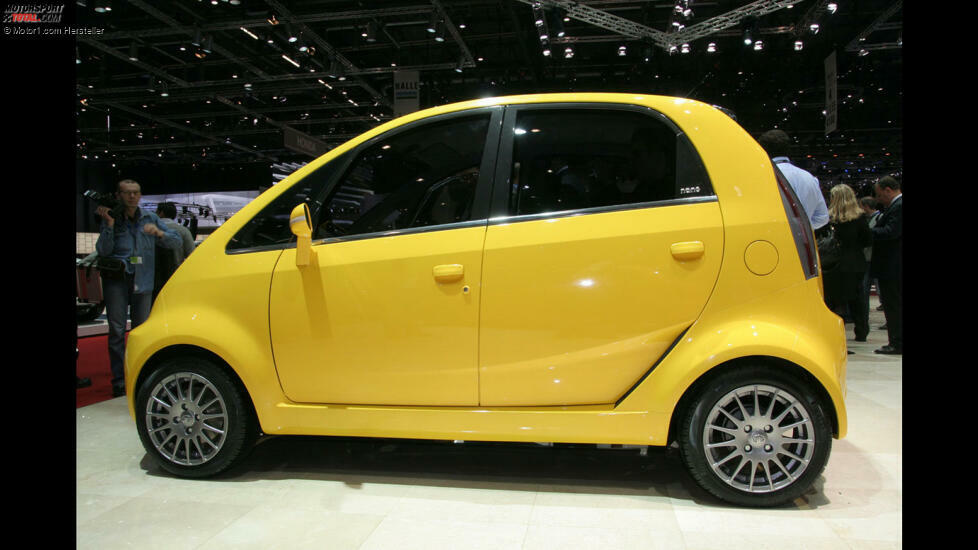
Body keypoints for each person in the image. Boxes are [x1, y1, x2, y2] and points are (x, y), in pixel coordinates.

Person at [95, 179, 181, 397]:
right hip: (117, 280)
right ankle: (119, 379)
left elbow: (176, 241)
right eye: (127, 193)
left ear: (140, 195)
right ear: (119, 195)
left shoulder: (150, 218)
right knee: (116, 330)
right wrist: (109, 226)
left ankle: (140, 376)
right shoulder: (112, 218)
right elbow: (103, 251)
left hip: (143, 282)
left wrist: (159, 234)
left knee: (141, 332)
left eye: (136, 193)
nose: (132, 197)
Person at [822, 184, 872, 342]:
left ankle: (836, 334)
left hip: (833, 263)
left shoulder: (829, 219)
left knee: (835, 300)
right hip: (856, 263)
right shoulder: (859, 218)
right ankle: (861, 331)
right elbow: (867, 240)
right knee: (858, 299)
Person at [757, 129, 829, 230]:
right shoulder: (809, 177)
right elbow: (822, 217)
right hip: (802, 244)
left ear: (763, 151)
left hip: (770, 239)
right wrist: (801, 230)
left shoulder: (762, 176)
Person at [870, 176, 902, 355]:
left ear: (888, 190)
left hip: (892, 266)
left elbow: (891, 232)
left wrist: (868, 232)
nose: (879, 199)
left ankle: (896, 343)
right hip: (892, 265)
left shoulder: (899, 206)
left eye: (880, 195)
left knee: (893, 305)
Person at [153, 202, 196, 299]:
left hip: (153, 277)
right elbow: (192, 255)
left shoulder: (150, 230)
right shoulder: (183, 231)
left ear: (161, 213)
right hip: (175, 276)